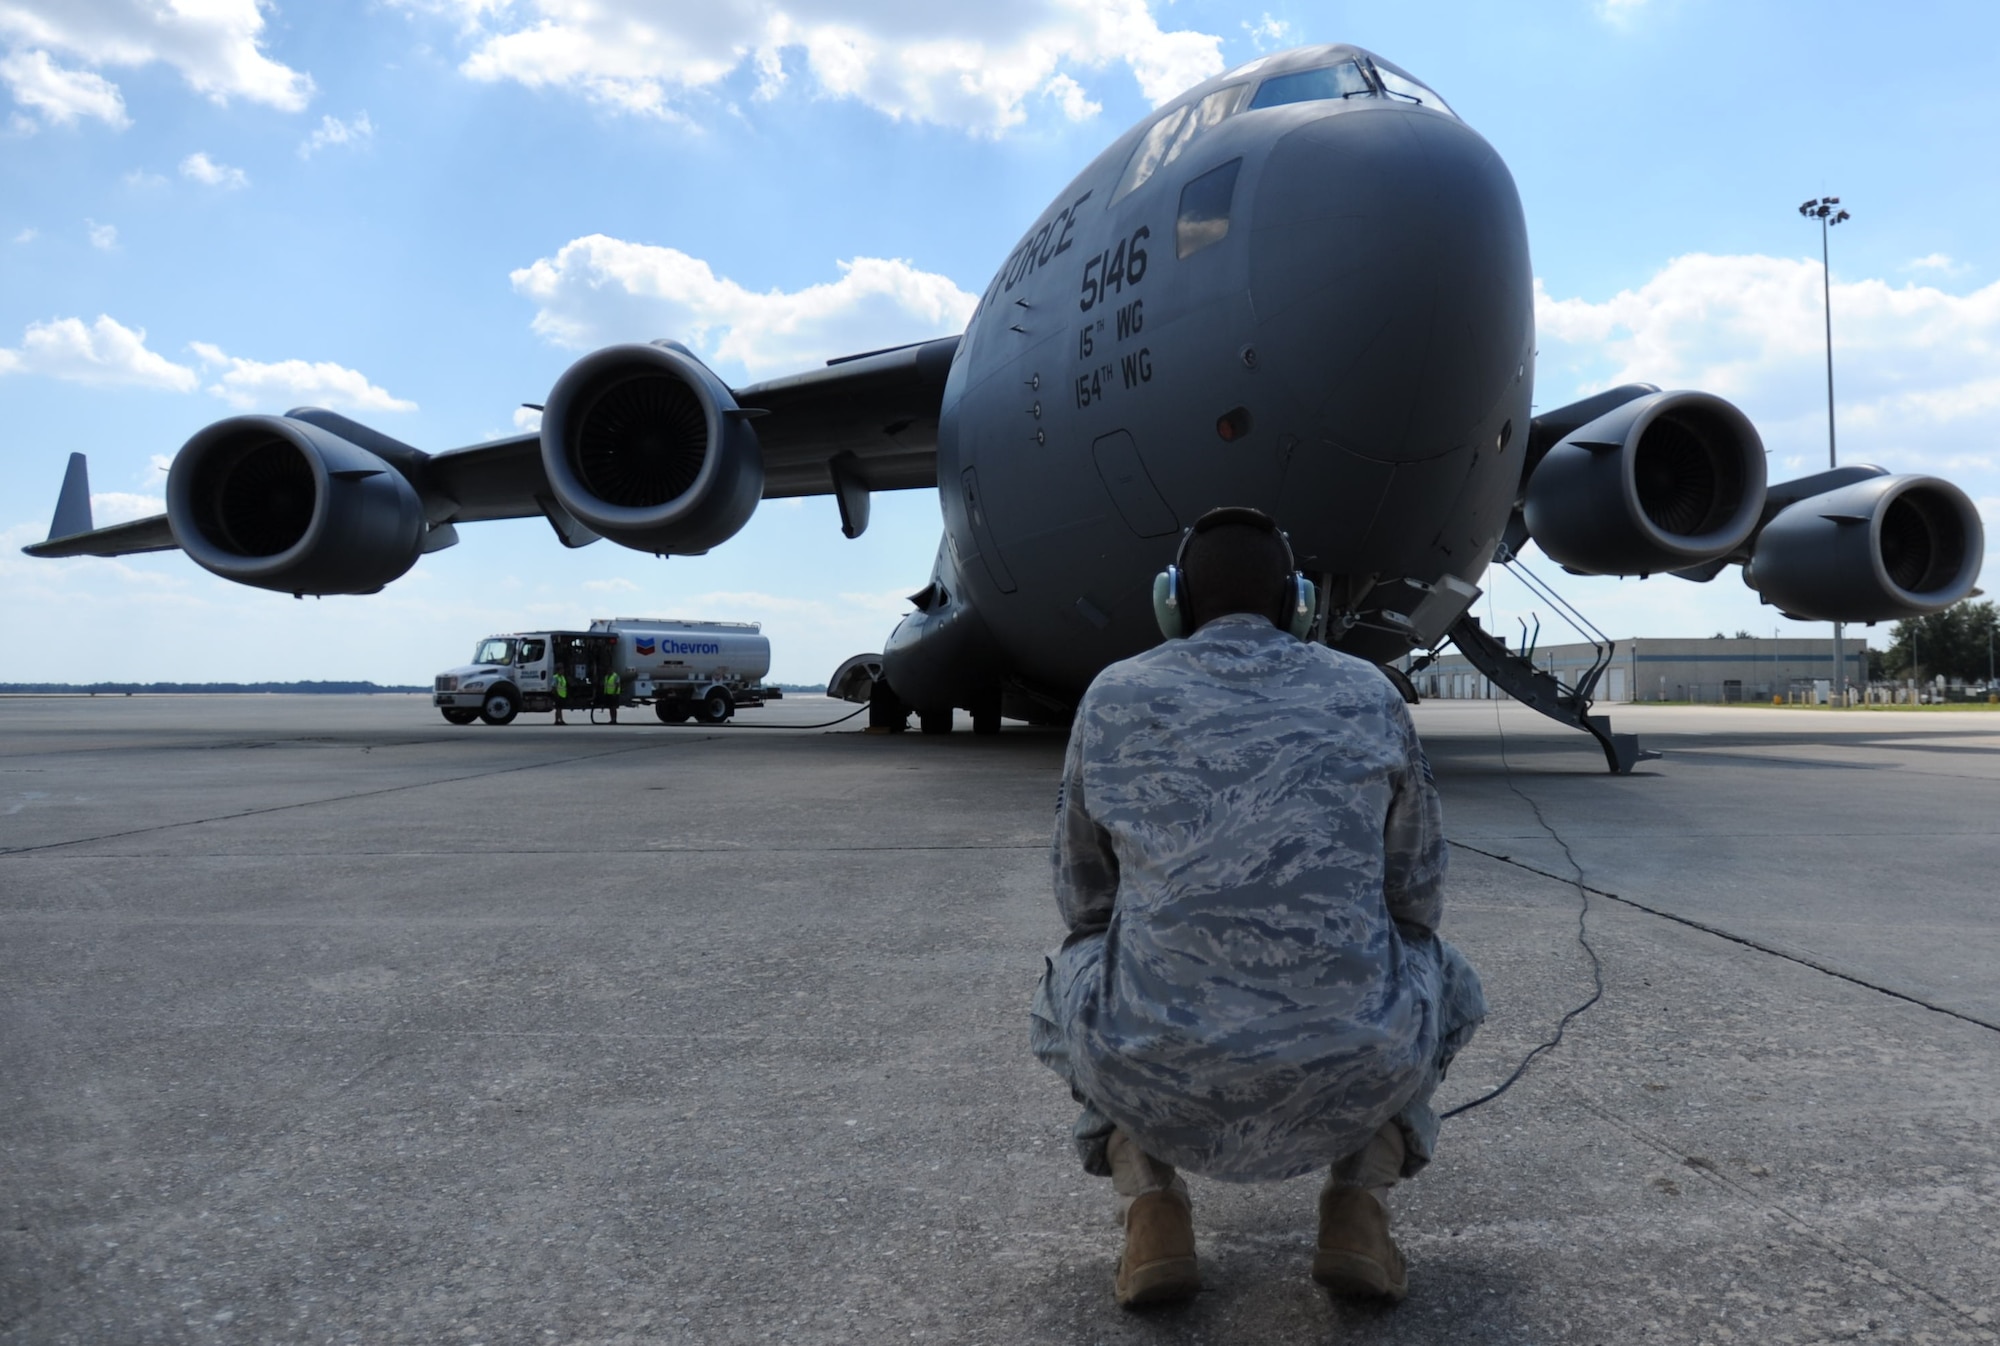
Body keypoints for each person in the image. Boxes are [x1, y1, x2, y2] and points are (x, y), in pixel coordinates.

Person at [1029, 506, 1485, 1310]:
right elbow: (1418, 897)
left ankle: (1151, 1210)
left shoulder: (1114, 694)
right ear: (1298, 604)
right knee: (1454, 982)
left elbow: (1084, 899)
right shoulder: (1366, 691)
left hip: (1155, 1077)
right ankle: (1359, 1205)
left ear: (1172, 602)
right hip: (1351, 1073)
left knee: (1061, 987)